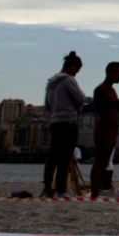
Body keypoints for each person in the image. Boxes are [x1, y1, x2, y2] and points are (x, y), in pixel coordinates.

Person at [43, 50, 91, 198]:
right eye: (77, 69)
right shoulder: (69, 80)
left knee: (52, 157)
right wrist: (92, 101)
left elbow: (47, 105)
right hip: (68, 122)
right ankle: (61, 189)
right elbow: (81, 98)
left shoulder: (51, 83)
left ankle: (47, 188)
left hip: (55, 122)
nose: (77, 73)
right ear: (71, 66)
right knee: (65, 157)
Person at [90, 61, 119, 198]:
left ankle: (96, 191)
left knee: (104, 162)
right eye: (118, 73)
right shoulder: (101, 89)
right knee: (100, 161)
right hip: (104, 128)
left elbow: (116, 110)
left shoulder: (112, 90)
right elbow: (102, 108)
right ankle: (94, 192)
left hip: (111, 128)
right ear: (110, 72)